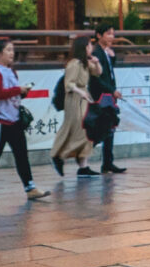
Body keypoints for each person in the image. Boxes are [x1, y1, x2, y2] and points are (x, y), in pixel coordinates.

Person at [0, 36, 48, 203]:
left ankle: (30, 187)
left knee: (21, 153)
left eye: (12, 50)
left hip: (12, 118)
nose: (12, 53)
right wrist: (18, 90)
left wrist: (22, 91)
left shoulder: (11, 71)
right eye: (8, 50)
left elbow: (10, 92)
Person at [50, 35, 95, 176]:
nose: (91, 48)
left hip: (83, 97)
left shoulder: (85, 63)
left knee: (85, 131)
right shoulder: (74, 64)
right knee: (80, 130)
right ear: (84, 47)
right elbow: (69, 83)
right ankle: (60, 155)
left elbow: (98, 72)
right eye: (89, 45)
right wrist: (80, 91)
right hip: (75, 99)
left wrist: (97, 62)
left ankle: (83, 165)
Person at [87, 25, 128, 174]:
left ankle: (108, 163)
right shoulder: (96, 52)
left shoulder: (106, 52)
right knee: (98, 130)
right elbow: (97, 78)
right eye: (108, 33)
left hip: (108, 96)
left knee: (109, 128)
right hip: (100, 96)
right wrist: (112, 90)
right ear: (99, 35)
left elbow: (109, 73)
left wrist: (112, 57)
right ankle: (83, 163)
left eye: (113, 33)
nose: (112, 36)